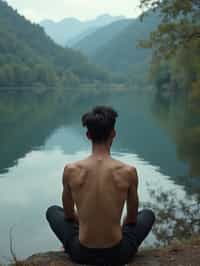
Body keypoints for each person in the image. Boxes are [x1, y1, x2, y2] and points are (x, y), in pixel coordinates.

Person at [46, 106, 155, 265]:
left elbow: (69, 216)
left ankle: (74, 241)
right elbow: (131, 219)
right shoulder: (128, 172)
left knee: (53, 211)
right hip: (118, 253)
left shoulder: (71, 170)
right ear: (113, 134)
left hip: (81, 252)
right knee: (147, 214)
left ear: (88, 135)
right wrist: (117, 228)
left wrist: (84, 222)